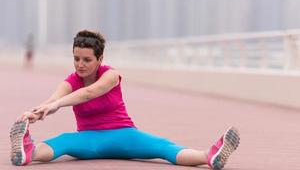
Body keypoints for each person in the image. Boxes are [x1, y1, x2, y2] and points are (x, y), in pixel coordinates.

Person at [10, 30, 240, 169]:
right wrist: (38, 111)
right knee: (61, 142)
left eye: (87, 60)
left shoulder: (111, 75)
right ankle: (27, 152)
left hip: (126, 135)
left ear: (100, 58)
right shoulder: (71, 80)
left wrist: (57, 104)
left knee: (165, 148)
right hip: (89, 141)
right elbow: (55, 98)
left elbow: (89, 93)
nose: (80, 64)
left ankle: (210, 157)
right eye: (76, 58)